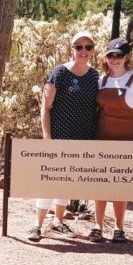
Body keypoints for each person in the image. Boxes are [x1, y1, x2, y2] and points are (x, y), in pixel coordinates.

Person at [28, 30, 100, 242]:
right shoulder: (59, 73)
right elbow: (45, 107)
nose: (84, 51)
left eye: (88, 47)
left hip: (82, 137)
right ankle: (37, 225)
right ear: (72, 49)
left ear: (93, 51)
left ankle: (58, 222)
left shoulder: (94, 75)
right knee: (50, 179)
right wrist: (47, 137)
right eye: (79, 47)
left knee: (67, 180)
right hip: (58, 136)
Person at [90, 36, 133, 244]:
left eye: (119, 55)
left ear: (127, 57)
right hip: (103, 136)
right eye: (110, 55)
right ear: (106, 58)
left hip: (126, 139)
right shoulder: (102, 80)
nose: (114, 59)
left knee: (120, 183)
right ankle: (97, 226)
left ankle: (119, 227)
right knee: (100, 182)